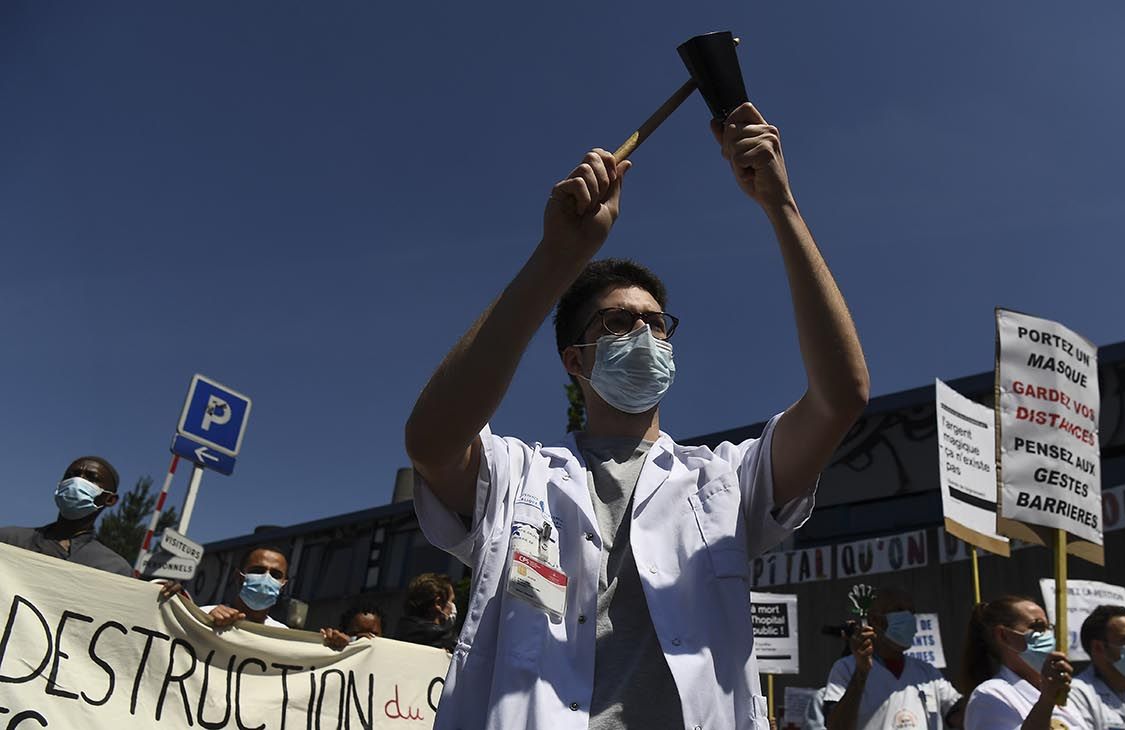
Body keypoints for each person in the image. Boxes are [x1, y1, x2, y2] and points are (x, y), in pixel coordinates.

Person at [404, 101, 870, 729]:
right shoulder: (517, 476)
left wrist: (780, 206)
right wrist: (558, 257)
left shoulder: (726, 480)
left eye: (656, 323)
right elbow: (432, 440)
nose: (644, 334)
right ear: (575, 359)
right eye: (619, 323)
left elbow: (841, 396)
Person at [824, 587, 962, 730]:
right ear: (875, 619)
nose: (908, 617)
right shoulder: (846, 669)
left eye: (912, 612)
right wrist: (861, 674)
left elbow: (963, 717)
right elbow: (836, 727)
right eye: (899, 610)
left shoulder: (927, 673)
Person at [961, 595, 1086, 730]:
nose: (1048, 635)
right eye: (1037, 627)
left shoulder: (1066, 698)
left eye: (1049, 627)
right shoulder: (988, 696)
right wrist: (1046, 701)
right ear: (1004, 636)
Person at [0, 456, 132, 576]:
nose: (78, 481)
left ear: (110, 499)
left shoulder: (112, 568)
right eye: (71, 475)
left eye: (92, 478)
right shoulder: (10, 540)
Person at [202, 545, 291, 629]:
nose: (266, 578)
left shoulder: (283, 636)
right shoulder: (205, 614)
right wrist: (206, 623)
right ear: (238, 577)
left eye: (275, 575)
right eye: (257, 571)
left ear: (283, 585)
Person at [395, 573, 458, 650]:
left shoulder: (399, 634)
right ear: (438, 603)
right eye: (451, 601)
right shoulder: (450, 643)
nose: (453, 606)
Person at [321, 604, 387, 648]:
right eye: (355, 634)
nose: (364, 638)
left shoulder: (391, 658)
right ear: (343, 633)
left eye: (372, 634)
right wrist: (328, 644)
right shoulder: (336, 649)